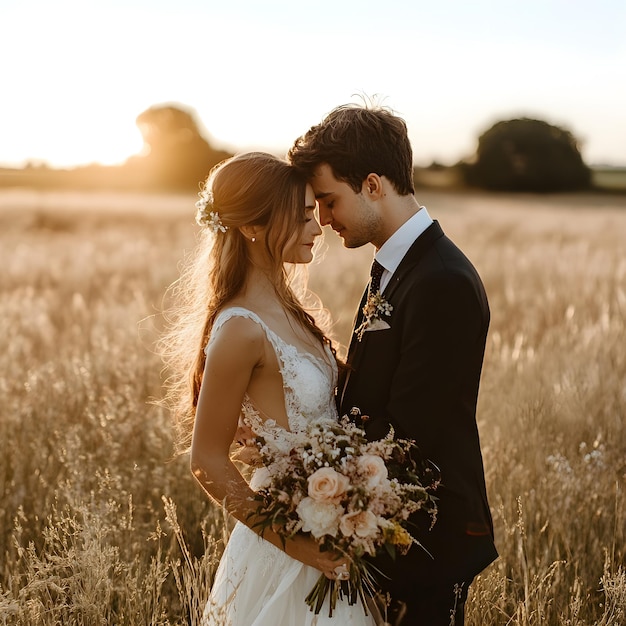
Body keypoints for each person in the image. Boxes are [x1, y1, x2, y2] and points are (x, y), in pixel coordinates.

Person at [288, 105, 498, 625]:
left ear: (374, 184)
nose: (324, 219)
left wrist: (308, 468)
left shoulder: (441, 281)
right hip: (389, 527)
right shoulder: (395, 263)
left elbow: (413, 432)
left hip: (426, 537)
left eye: (330, 201)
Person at [160, 152, 376, 625]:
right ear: (253, 227)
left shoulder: (289, 306)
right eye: (301, 216)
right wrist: (304, 550)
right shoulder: (240, 327)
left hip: (328, 522)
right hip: (288, 543)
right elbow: (207, 462)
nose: (317, 227)